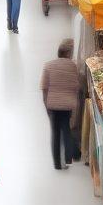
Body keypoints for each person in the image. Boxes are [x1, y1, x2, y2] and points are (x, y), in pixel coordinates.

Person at [40, 38, 82, 170]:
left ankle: (57, 164)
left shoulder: (48, 65)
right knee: (66, 131)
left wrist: (46, 104)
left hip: (53, 104)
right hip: (67, 105)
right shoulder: (72, 66)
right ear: (68, 54)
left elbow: (44, 87)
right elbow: (76, 86)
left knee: (55, 133)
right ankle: (68, 161)